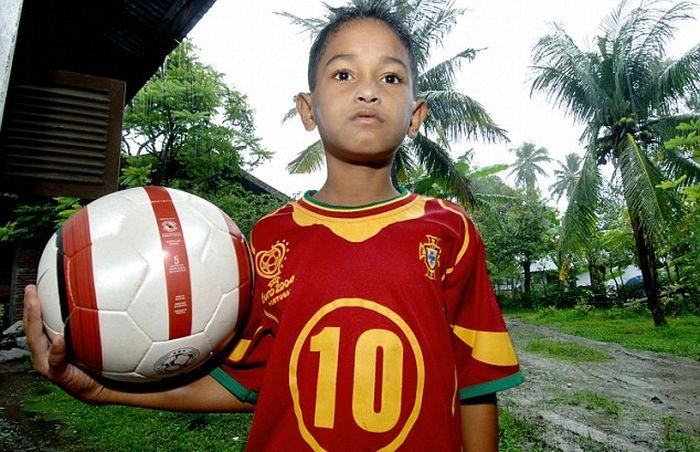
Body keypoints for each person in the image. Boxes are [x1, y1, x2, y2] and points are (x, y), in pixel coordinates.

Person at [24, 3, 522, 450]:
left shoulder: (450, 231)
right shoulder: (266, 241)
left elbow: (476, 385)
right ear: (308, 109)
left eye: (390, 78)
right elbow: (248, 384)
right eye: (343, 74)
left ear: (415, 115)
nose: (368, 91)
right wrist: (101, 390)